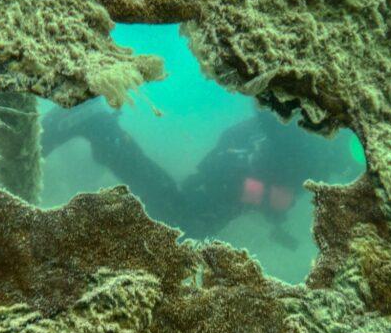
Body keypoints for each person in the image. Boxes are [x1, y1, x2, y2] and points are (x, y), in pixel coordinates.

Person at [39, 101, 361, 246]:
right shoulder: (317, 151)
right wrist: (274, 201)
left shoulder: (316, 141)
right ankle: (99, 127)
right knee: (177, 224)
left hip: (228, 177)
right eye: (350, 165)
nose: (347, 174)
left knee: (165, 211)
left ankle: (100, 131)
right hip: (231, 182)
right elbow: (273, 151)